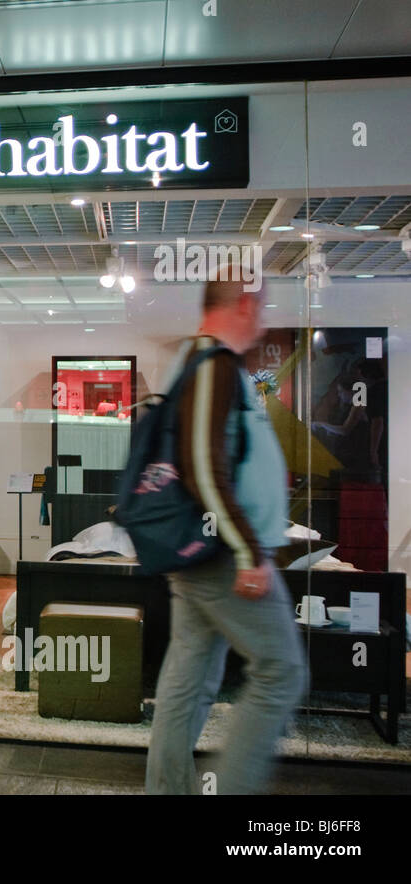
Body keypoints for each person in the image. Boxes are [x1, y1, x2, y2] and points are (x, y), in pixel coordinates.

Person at [145, 272, 307, 795]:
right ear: (241, 305)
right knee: (281, 672)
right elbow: (200, 464)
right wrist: (246, 551)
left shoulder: (209, 365)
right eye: (259, 307)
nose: (262, 319)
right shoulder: (211, 364)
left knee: (188, 685)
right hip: (223, 556)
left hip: (204, 555)